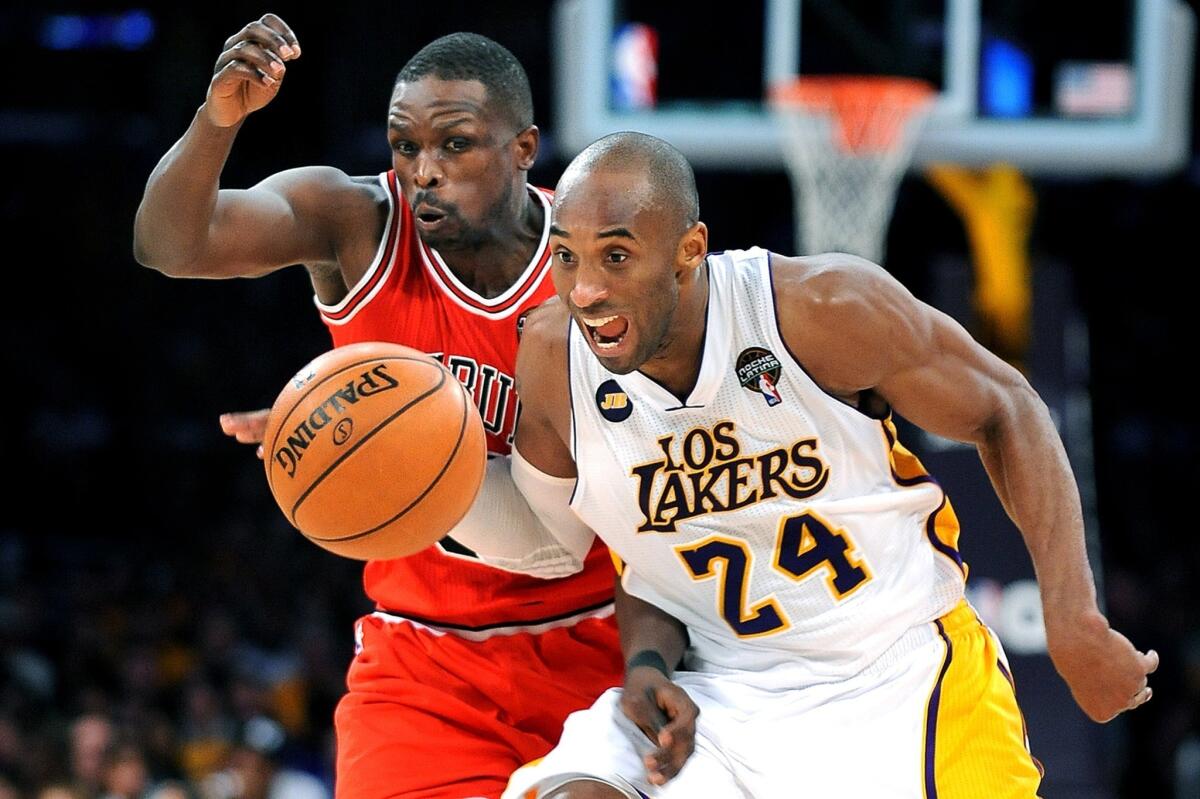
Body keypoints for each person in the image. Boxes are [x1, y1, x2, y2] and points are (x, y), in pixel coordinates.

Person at [499, 132, 1159, 798]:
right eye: (565, 256)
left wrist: (1074, 622)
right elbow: (644, 563)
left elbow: (1008, 407)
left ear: (688, 251)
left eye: (616, 256)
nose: (585, 289)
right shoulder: (556, 361)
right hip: (720, 699)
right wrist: (646, 664)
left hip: (897, 675)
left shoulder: (821, 310)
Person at [133, 15, 621, 799]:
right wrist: (217, 119)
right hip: (426, 665)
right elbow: (172, 244)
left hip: (601, 640)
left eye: (455, 144)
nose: (424, 169)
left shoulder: (598, 253)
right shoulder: (356, 222)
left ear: (524, 148)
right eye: (405, 145)